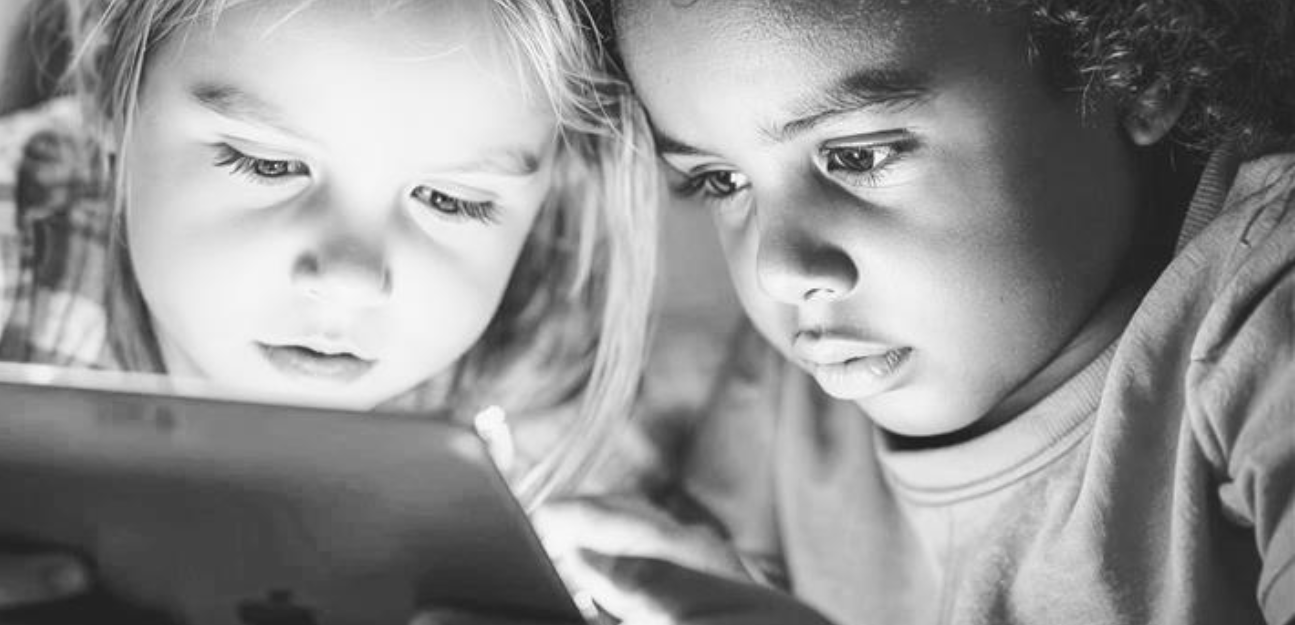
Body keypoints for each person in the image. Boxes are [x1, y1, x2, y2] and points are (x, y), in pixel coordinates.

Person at [0, 0, 658, 622]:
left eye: (449, 199)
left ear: (554, 187)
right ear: (109, 98)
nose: (350, 280)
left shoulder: (547, 362)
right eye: (265, 164)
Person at [540, 1, 1295, 624]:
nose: (779, 268)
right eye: (719, 180)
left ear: (1138, 70)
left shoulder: (1260, 311)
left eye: (860, 156)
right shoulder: (793, 397)